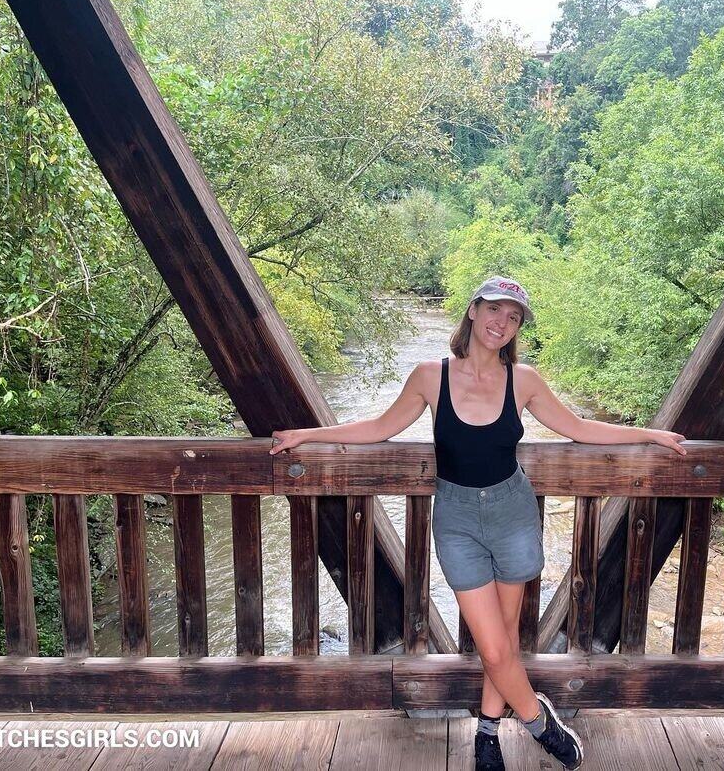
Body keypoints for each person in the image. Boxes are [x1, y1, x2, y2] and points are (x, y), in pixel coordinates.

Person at [271, 275, 688, 771]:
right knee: (492, 646)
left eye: (513, 317)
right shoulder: (431, 376)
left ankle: (487, 734)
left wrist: (649, 435)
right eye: (494, 310)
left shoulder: (524, 380)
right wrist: (308, 435)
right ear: (473, 310)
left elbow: (579, 428)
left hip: (513, 515)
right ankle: (539, 721)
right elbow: (380, 427)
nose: (501, 323)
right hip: (458, 521)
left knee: (503, 640)